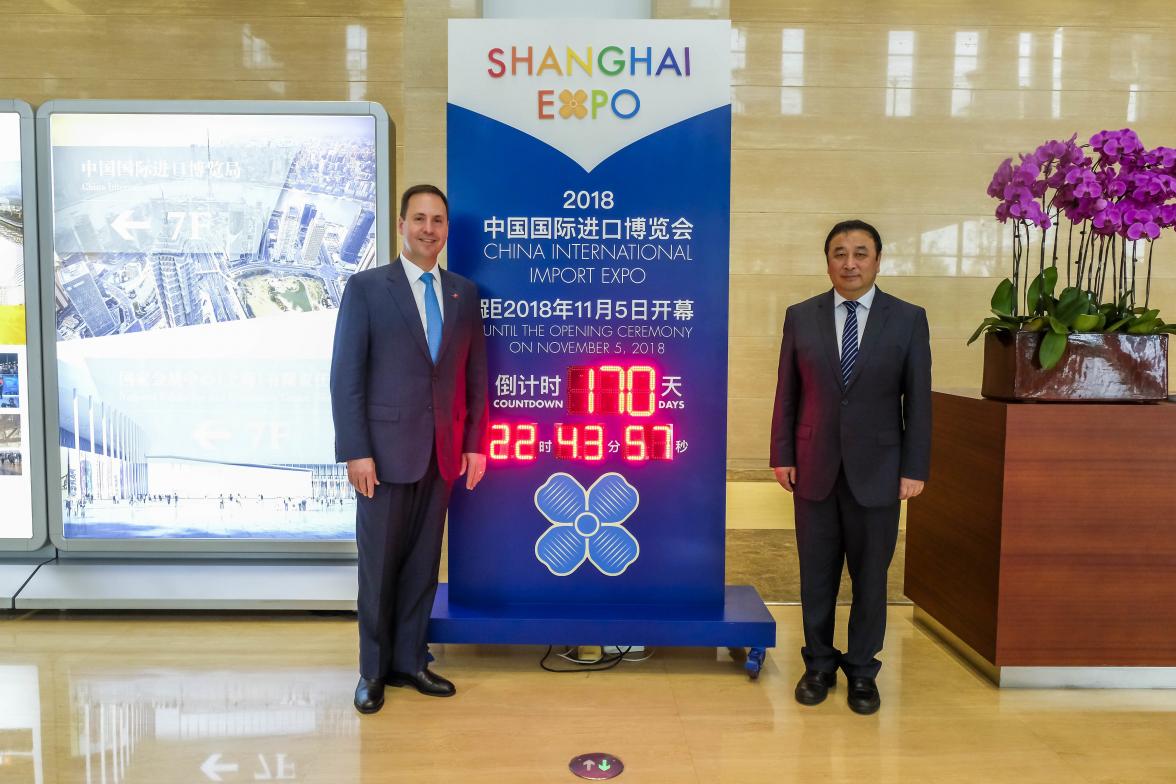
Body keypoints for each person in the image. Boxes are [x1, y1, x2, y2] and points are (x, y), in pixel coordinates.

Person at [330, 184, 489, 715]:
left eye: (438, 220)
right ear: (400, 225)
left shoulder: (464, 294)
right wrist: (356, 450)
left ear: (447, 229)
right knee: (378, 567)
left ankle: (410, 661)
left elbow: (474, 378)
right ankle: (372, 672)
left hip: (442, 455)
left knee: (423, 566)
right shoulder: (368, 288)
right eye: (418, 218)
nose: (428, 228)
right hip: (382, 455)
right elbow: (346, 377)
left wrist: (474, 446)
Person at [770, 219, 931, 715]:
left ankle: (862, 670)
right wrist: (782, 454)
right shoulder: (802, 316)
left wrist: (914, 466)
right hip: (814, 467)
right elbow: (787, 393)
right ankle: (818, 663)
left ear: (878, 260)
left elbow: (918, 402)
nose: (850, 262)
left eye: (861, 252)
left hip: (880, 471)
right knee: (816, 576)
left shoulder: (907, 318)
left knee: (870, 578)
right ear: (828, 262)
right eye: (839, 253)